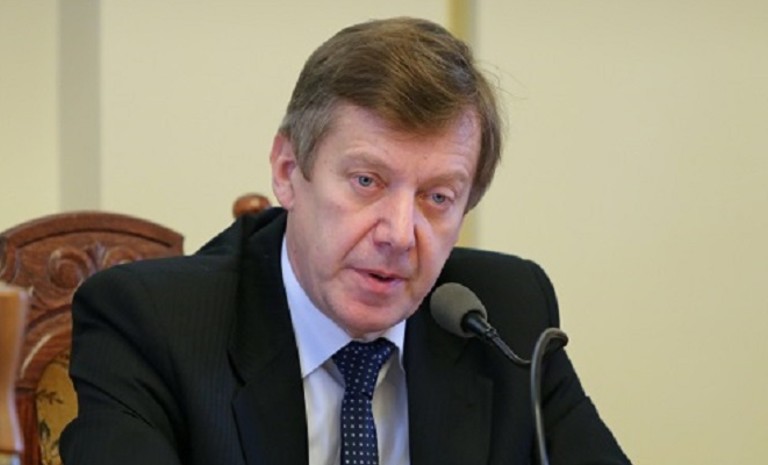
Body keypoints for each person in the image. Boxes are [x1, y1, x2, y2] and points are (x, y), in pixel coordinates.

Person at [60, 17, 630, 465]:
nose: (399, 235)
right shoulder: (153, 325)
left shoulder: (507, 317)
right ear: (288, 171)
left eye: (437, 197)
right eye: (366, 182)